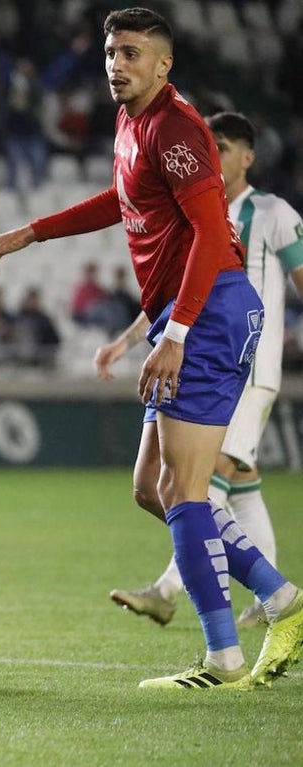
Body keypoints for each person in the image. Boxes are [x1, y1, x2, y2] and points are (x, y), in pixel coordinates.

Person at [0, 9, 303, 690]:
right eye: (111, 52)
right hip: (190, 313)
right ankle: (282, 600)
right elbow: (122, 199)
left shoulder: (178, 131)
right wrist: (28, 233)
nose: (117, 64)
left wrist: (174, 334)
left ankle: (224, 661)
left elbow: (211, 236)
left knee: (184, 488)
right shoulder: (133, 123)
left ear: (163, 64)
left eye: (132, 53)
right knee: (154, 489)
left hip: (208, 313)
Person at [102, 111, 303, 629]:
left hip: (243, 360)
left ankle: (175, 592)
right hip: (189, 339)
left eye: (223, 144)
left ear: (247, 156)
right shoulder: (189, 201)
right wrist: (128, 340)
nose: (211, 150)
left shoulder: (272, 211)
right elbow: (177, 284)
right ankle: (273, 596)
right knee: (229, 481)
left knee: (195, 486)